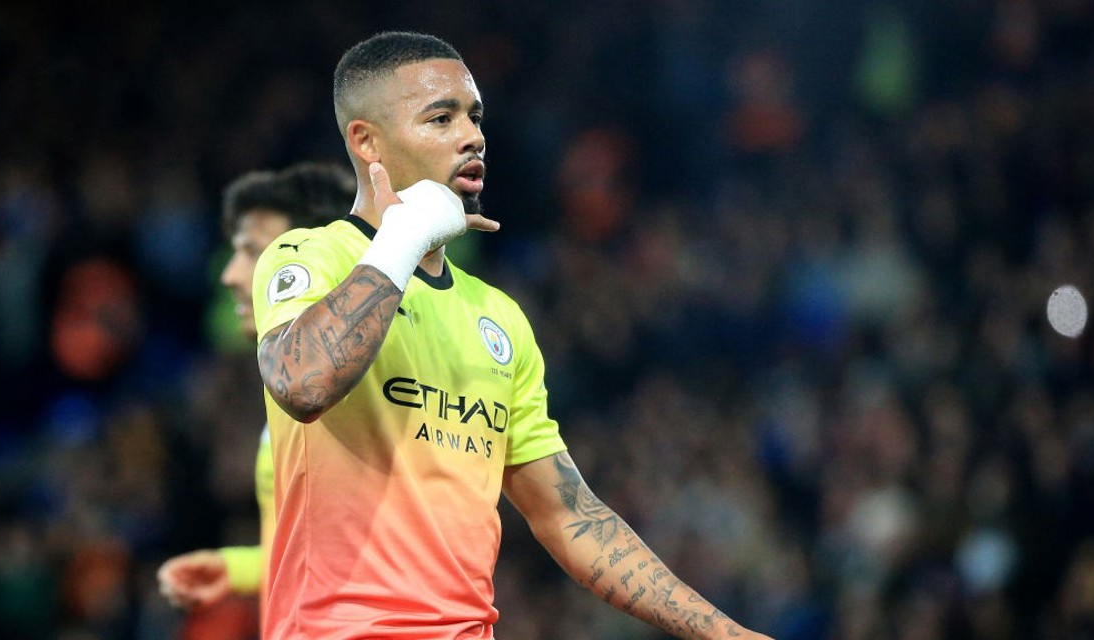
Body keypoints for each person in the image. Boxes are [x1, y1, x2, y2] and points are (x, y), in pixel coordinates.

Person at [251, 31, 772, 640]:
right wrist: (400, 241)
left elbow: (569, 518)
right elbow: (302, 382)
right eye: (440, 118)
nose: (472, 135)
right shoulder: (310, 255)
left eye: (474, 116)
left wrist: (726, 634)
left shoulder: (497, 316)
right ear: (367, 142)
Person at [156, 162, 356, 624]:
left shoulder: (353, 395)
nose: (230, 274)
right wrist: (241, 568)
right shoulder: (291, 391)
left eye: (253, 252)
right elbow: (328, 553)